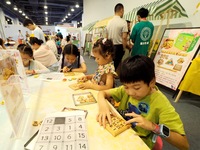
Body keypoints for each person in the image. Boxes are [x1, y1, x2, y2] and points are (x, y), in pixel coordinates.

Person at [96, 55, 189, 150]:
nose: (130, 92)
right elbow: (102, 93)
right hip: (121, 134)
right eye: (126, 87)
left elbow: (184, 144)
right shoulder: (125, 90)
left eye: (137, 88)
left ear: (152, 82)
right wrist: (103, 106)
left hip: (139, 143)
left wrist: (153, 127)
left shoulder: (161, 103)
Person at [106, 3, 128, 71]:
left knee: (110, 65)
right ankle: (111, 80)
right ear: (121, 10)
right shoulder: (123, 22)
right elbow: (124, 37)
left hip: (109, 46)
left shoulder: (109, 22)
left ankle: (110, 79)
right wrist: (124, 48)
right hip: (118, 47)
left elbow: (106, 37)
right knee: (115, 66)